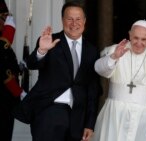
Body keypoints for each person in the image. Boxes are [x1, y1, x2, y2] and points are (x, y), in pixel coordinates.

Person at [14, 1, 102, 141]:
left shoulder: (92, 50)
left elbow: (93, 89)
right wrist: (41, 50)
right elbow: (31, 64)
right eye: (69, 19)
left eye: (78, 19)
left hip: (77, 118)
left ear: (84, 21)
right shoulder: (50, 41)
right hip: (49, 113)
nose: (74, 23)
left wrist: (90, 124)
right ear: (62, 20)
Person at [92, 20, 146, 141]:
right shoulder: (116, 49)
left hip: (144, 121)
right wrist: (115, 57)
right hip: (115, 115)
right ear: (129, 34)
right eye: (135, 38)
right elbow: (99, 69)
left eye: (144, 39)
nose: (139, 43)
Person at [0, 0, 26, 140]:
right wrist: (7, 37)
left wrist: (19, 67)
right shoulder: (3, 41)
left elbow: (7, 64)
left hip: (7, 102)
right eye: (5, 16)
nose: (8, 20)